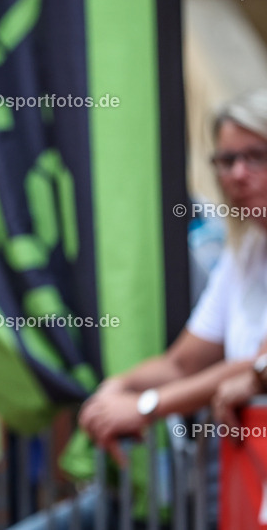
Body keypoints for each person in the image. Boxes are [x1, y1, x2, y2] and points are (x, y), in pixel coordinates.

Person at [79, 90, 267, 461]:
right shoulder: (244, 250)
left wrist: (146, 405)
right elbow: (183, 362)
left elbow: (258, 362)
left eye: (257, 157)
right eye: (227, 160)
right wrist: (118, 387)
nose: (239, 174)